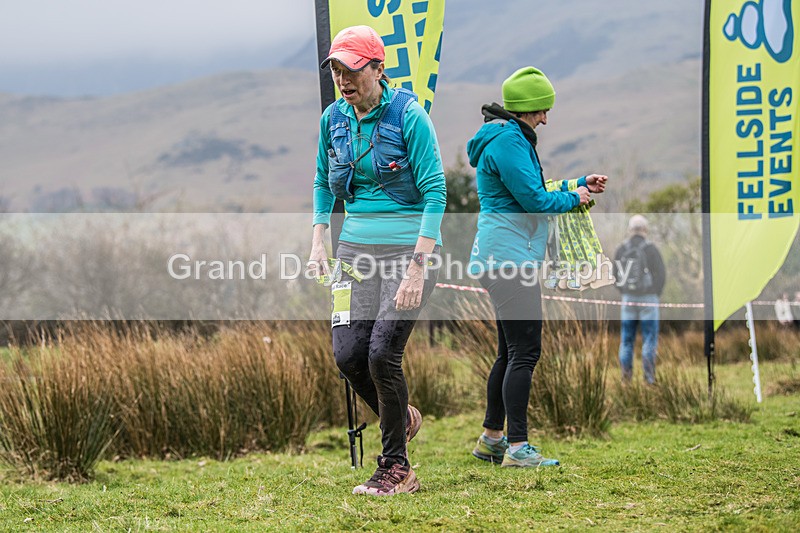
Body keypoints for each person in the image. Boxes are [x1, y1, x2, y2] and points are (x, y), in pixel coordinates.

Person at [308, 25, 446, 496]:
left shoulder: (410, 116)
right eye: (336, 71)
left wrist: (417, 266)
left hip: (409, 252)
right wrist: (318, 239)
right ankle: (401, 417)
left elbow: (436, 191)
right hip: (353, 252)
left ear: (378, 69)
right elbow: (324, 181)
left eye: (352, 70)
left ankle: (396, 468)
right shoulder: (333, 120)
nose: (344, 80)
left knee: (383, 352)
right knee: (348, 355)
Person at [466, 66, 608, 467]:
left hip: (502, 256)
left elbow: (530, 190)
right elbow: (535, 201)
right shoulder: (509, 142)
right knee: (526, 352)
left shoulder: (507, 138)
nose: (545, 118)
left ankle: (492, 439)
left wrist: (579, 182)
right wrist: (575, 198)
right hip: (510, 259)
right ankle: (517, 447)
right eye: (542, 110)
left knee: (508, 352)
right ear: (527, 110)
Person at [614, 214, 666, 384]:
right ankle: (649, 379)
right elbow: (661, 275)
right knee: (649, 338)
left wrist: (624, 291)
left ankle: (626, 378)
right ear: (645, 230)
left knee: (626, 340)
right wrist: (654, 293)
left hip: (628, 299)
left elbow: (615, 276)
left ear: (630, 230)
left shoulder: (621, 249)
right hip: (648, 299)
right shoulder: (651, 249)